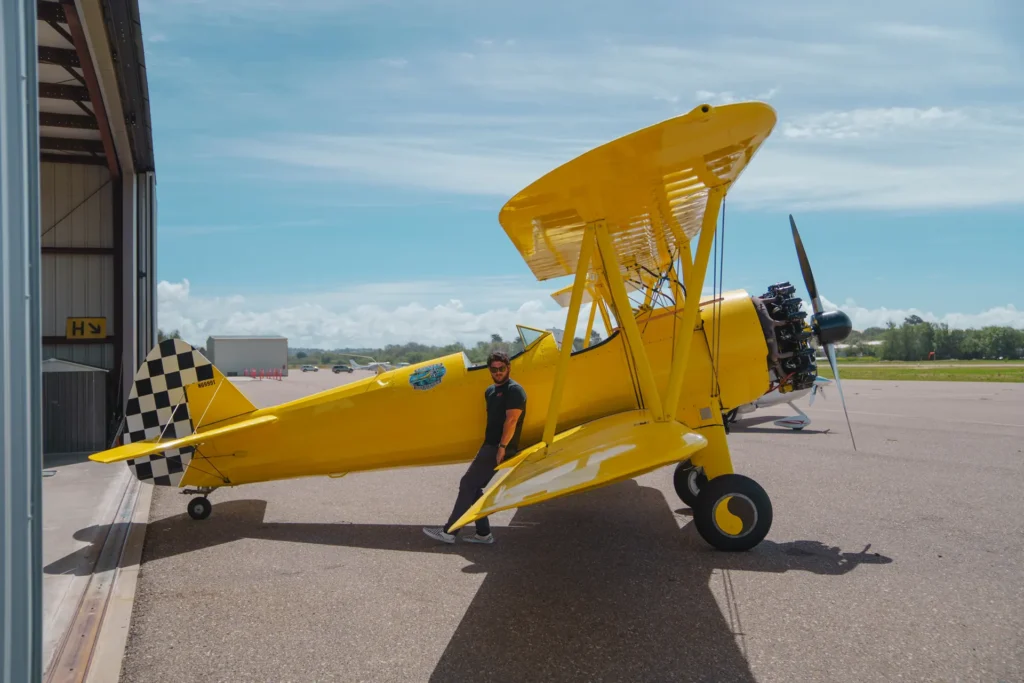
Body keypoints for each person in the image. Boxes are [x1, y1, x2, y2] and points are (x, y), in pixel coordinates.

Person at [422, 350, 526, 545]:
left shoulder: (515, 390)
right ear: (489, 370)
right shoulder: (490, 391)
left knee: (467, 484)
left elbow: (511, 420)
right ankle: (483, 533)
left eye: (501, 368)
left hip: (499, 447)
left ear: (508, 368)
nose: (498, 372)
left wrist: (502, 447)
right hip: (490, 444)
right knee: (474, 486)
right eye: (494, 369)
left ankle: (449, 531)